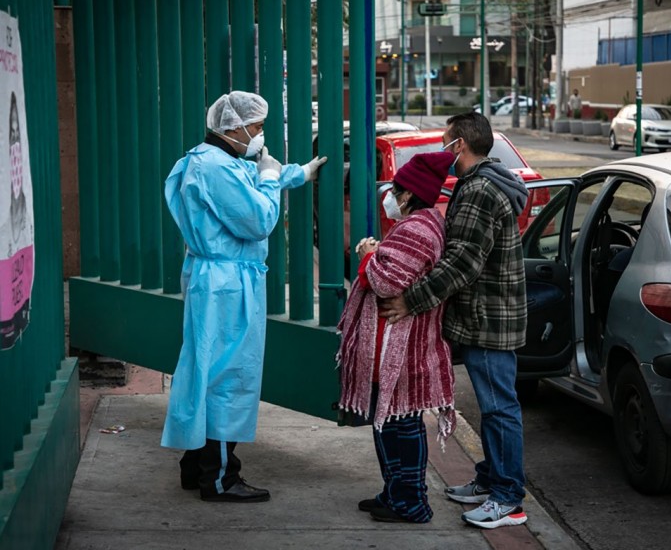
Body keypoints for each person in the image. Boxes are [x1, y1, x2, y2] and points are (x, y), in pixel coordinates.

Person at [161, 91, 327, 503]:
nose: (259, 135)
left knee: (206, 368)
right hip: (227, 282)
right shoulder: (216, 167)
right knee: (227, 376)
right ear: (232, 127)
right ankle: (220, 478)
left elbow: (251, 179)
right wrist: (272, 179)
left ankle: (195, 466)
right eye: (255, 127)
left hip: (215, 277)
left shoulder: (208, 159)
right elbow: (257, 220)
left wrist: (297, 174)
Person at [381, 112, 529, 529]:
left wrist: (411, 300)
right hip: (491, 313)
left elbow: (462, 262)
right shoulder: (483, 181)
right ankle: (490, 480)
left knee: (499, 409)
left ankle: (507, 500)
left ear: (459, 144)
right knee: (494, 406)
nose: (441, 148)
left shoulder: (480, 189)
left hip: (489, 317)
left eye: (446, 140)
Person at [337, 151, 457, 524]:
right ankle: (395, 494)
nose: (388, 196)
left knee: (403, 424)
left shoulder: (419, 229)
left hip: (403, 347)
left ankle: (411, 502)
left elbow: (388, 282)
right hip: (393, 344)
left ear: (407, 195)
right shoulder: (418, 224)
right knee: (389, 421)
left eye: (394, 190)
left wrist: (369, 254)